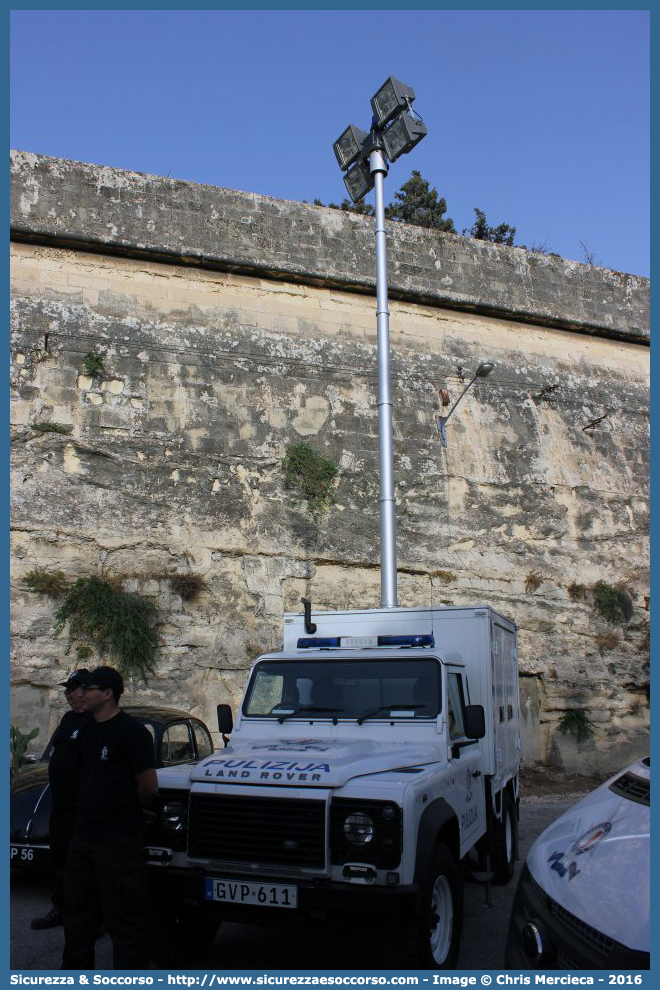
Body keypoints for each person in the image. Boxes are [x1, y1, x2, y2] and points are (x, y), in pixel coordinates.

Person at [61, 666, 158, 970]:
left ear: (107, 694)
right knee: (77, 916)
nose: (80, 694)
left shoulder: (131, 732)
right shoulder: (88, 729)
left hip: (117, 841)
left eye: (88, 689)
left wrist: (125, 809)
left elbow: (148, 786)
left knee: (124, 922)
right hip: (84, 838)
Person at [31, 668, 91, 930]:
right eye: (67, 690)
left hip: (83, 806)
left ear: (84, 691)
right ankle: (62, 906)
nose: (67, 694)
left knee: (84, 863)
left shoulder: (95, 721)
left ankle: (90, 915)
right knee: (60, 858)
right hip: (61, 803)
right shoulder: (68, 718)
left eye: (71, 689)